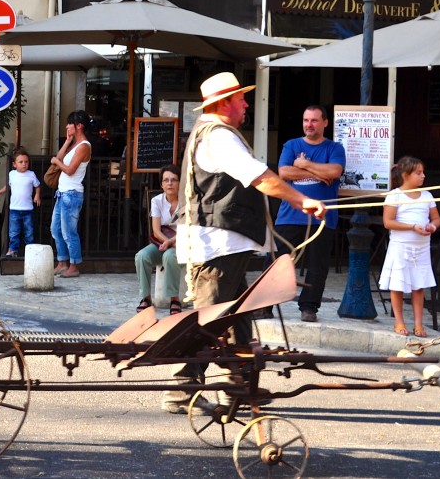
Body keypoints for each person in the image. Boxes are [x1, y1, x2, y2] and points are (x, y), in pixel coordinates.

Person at [167, 72, 326, 415]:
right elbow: (261, 178)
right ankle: (182, 390)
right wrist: (302, 200)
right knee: (209, 320)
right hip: (215, 244)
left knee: (238, 316)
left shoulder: (214, 134)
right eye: (240, 98)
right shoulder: (219, 137)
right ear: (223, 103)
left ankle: (238, 384)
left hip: (226, 243)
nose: (246, 103)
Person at [269, 105, 346, 322]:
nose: (309, 125)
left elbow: (334, 171)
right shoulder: (292, 145)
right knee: (276, 261)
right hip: (289, 214)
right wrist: (318, 171)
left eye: (313, 120)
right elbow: (284, 172)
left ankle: (309, 307)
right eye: (305, 120)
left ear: (325, 123)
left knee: (318, 266)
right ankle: (264, 305)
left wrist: (304, 164)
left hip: (322, 218)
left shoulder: (335, 148)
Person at [380, 155, 440, 338]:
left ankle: (418, 324)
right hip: (401, 246)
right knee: (397, 285)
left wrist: (432, 226)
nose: (423, 176)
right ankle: (399, 320)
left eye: (423, 173)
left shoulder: (427, 195)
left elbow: (436, 218)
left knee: (419, 285)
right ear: (406, 174)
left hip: (421, 247)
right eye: (418, 173)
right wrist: (412, 227)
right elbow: (388, 222)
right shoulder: (394, 195)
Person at [134, 164, 183, 315]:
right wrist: (166, 242)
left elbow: (188, 228)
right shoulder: (157, 201)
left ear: (180, 183)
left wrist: (171, 242)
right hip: (162, 241)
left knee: (169, 256)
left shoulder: (187, 200)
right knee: (142, 256)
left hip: (182, 241)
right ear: (161, 184)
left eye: (174, 180)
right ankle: (146, 297)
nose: (170, 183)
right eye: (166, 180)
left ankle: (174, 299)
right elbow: (155, 229)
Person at [50, 110, 92, 278]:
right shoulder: (74, 144)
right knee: (55, 229)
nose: (67, 126)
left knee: (69, 232)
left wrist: (56, 162)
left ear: (79, 126)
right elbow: (59, 157)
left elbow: (69, 170)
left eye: (70, 123)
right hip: (62, 194)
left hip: (72, 194)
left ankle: (74, 266)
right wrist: (67, 142)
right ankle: (62, 262)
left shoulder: (84, 146)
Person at [0, 148, 40, 258]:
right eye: (21, 162)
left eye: (26, 162)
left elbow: (37, 185)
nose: (24, 164)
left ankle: (30, 250)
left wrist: (37, 195)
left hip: (28, 209)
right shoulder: (12, 174)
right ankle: (13, 250)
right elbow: (8, 186)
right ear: (14, 164)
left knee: (29, 232)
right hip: (14, 209)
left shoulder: (31, 174)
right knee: (14, 232)